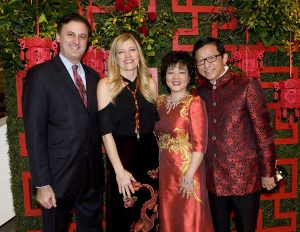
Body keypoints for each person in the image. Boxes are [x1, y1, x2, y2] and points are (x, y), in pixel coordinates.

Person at [22, 13, 104, 232]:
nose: (76, 41)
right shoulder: (40, 75)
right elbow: (34, 132)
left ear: (87, 41)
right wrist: (42, 183)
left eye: (82, 36)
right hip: (57, 179)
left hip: (91, 178)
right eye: (70, 34)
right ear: (58, 37)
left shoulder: (95, 78)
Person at [192, 37, 277, 232]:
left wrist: (268, 171)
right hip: (213, 179)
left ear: (225, 58)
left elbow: (263, 132)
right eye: (201, 61)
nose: (207, 65)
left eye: (211, 58)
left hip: (245, 178)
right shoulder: (199, 93)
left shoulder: (246, 84)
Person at [97, 33, 159, 232]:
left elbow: (155, 128)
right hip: (122, 158)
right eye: (120, 52)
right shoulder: (105, 85)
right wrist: (119, 171)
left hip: (151, 158)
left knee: (152, 213)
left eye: (132, 49)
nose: (127, 56)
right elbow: (105, 133)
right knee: (124, 215)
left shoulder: (150, 84)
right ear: (114, 57)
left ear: (138, 53)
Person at [155, 51, 214, 232]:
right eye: (171, 71)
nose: (176, 77)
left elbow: (200, 145)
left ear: (189, 77)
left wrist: (188, 177)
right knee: (169, 218)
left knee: (189, 219)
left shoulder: (194, 102)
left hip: (188, 171)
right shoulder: (160, 102)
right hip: (166, 172)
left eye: (182, 72)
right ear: (164, 76)